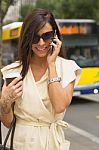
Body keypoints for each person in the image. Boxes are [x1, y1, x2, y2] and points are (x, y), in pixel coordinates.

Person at [0, 8, 81, 150]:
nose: (41, 43)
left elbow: (60, 106)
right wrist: (5, 103)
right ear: (27, 38)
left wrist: (51, 65)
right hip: (20, 143)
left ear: (55, 35)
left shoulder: (67, 67)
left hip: (52, 143)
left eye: (47, 36)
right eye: (35, 37)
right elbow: (8, 123)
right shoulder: (13, 71)